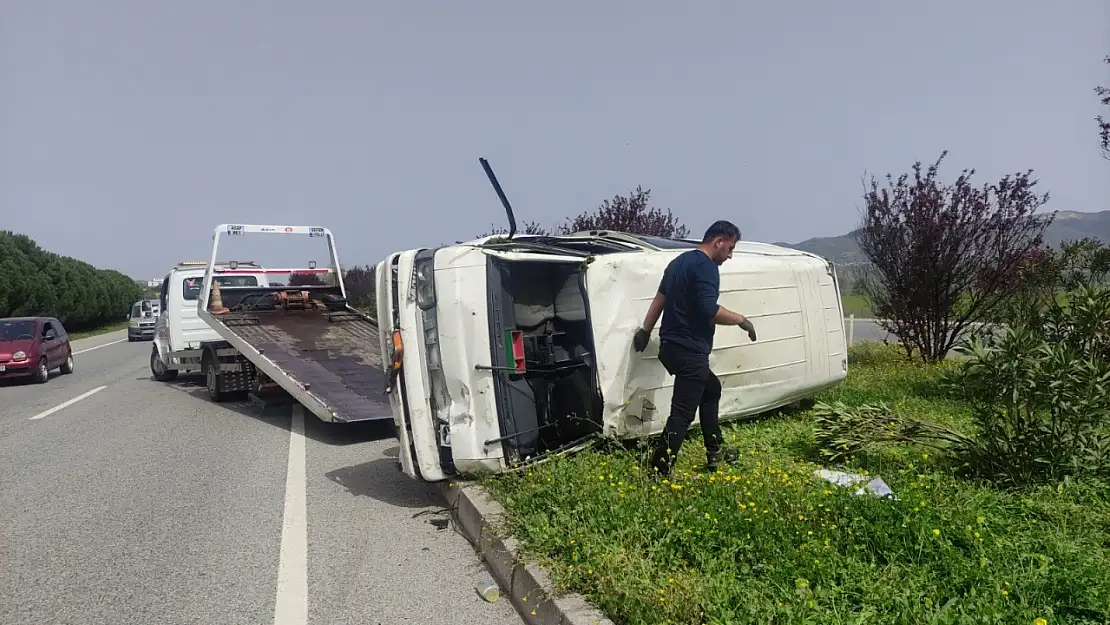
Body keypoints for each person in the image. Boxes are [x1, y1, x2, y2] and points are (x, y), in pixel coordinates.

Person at [632, 220, 757, 476]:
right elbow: (709, 310)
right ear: (718, 242)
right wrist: (742, 320)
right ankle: (658, 470)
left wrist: (646, 330)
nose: (730, 255)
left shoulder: (678, 263)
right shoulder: (707, 268)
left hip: (670, 348)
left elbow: (660, 299)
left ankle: (715, 449)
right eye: (730, 248)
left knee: (711, 389)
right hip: (689, 351)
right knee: (682, 413)